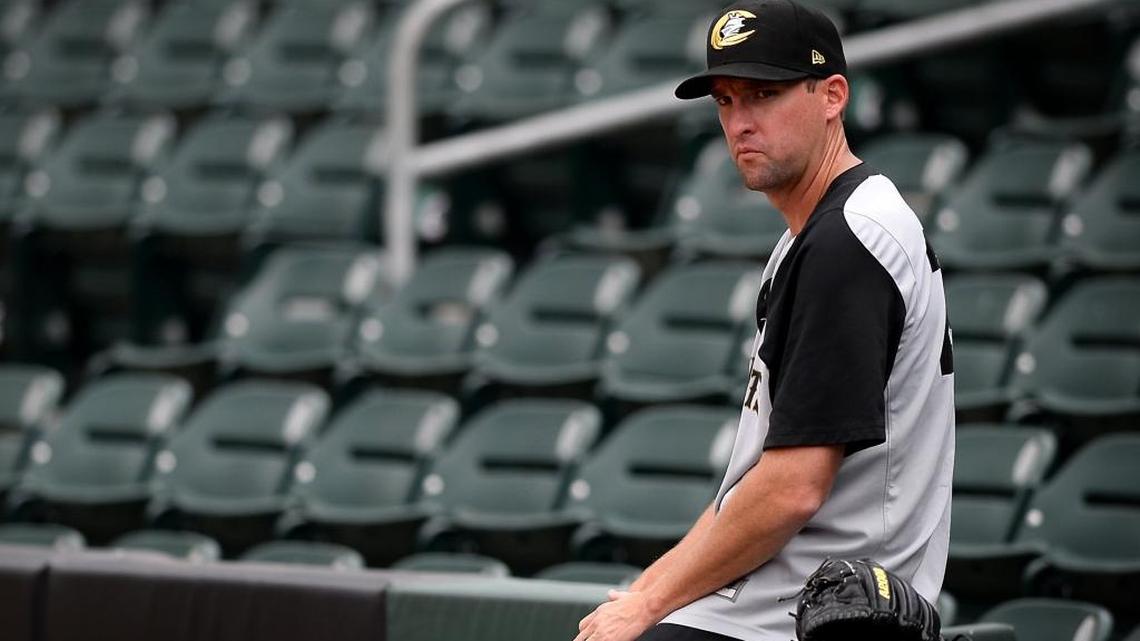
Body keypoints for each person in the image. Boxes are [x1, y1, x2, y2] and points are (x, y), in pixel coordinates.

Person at [573, 2, 955, 640]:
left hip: (822, 609)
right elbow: (751, 482)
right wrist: (646, 591)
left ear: (832, 95)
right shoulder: (822, 231)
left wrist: (647, 607)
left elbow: (791, 489)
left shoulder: (849, 239)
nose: (740, 122)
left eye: (764, 94)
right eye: (725, 101)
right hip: (787, 593)